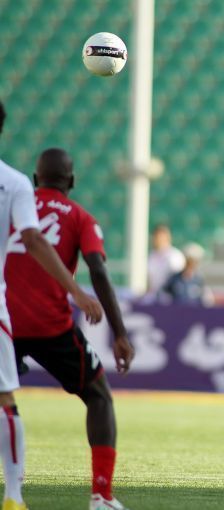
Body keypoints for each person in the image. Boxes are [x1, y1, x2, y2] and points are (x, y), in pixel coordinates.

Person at [5, 148, 133, 510]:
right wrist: (120, 333)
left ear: (35, 179)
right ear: (72, 181)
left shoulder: (12, 205)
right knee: (98, 396)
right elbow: (98, 270)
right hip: (51, 326)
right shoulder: (80, 217)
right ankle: (101, 495)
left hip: (5, 321)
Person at [0, 103, 102, 510]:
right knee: (6, 400)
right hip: (15, 314)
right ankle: (13, 497)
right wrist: (75, 290)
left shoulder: (22, 185)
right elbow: (34, 239)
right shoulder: (13, 183)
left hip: (11, 311)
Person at [146, 224, 185, 299]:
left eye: (160, 237)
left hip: (170, 297)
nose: (157, 240)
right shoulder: (151, 256)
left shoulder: (175, 256)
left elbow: (178, 280)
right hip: (155, 296)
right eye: (156, 237)